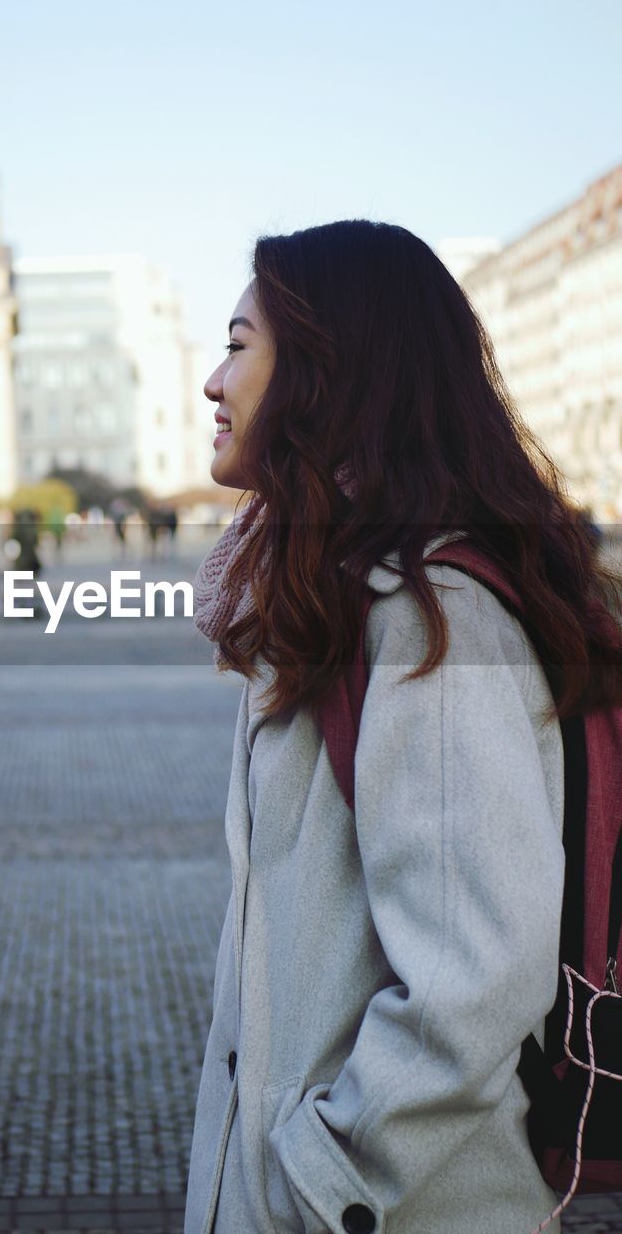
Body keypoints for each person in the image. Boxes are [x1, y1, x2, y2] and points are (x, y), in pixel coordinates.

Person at [185, 221, 622, 1234]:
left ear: (330, 373)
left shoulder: (425, 617)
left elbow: (468, 976)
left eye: (240, 344)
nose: (213, 379)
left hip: (392, 1204)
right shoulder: (335, 595)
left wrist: (322, 1178)